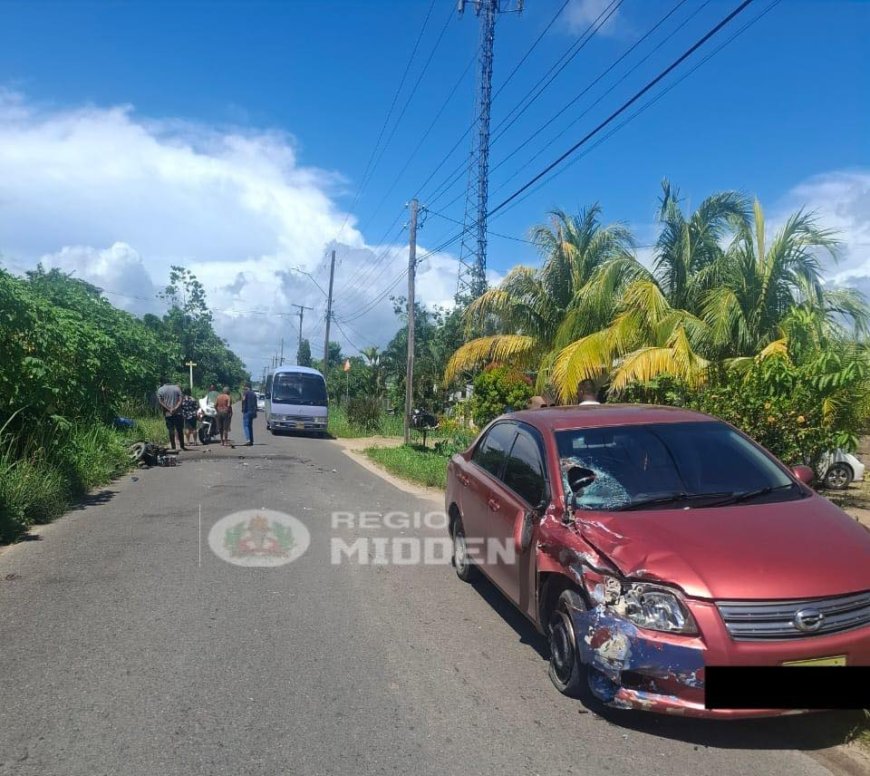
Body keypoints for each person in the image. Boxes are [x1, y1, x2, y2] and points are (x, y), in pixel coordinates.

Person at [157, 378, 186, 450]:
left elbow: (160, 401)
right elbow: (180, 399)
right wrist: (175, 408)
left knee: (171, 430)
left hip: (168, 414)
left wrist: (168, 409)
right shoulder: (177, 388)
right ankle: (182, 446)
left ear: (163, 382)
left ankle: (173, 447)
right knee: (180, 430)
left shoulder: (160, 389)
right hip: (178, 413)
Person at [240, 382, 258, 446]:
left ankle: (248, 440)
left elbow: (243, 402)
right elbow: (256, 404)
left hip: (247, 411)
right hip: (252, 412)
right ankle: (251, 440)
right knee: (250, 426)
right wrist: (255, 412)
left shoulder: (245, 393)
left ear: (246, 387)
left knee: (246, 426)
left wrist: (243, 410)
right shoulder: (254, 394)